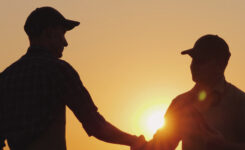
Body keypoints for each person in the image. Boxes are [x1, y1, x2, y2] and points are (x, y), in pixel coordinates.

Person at [0, 7, 145, 150]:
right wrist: (135, 141)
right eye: (62, 34)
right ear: (48, 33)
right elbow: (96, 126)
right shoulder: (58, 70)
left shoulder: (5, 77)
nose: (65, 42)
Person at [142, 34, 245, 150]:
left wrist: (225, 147)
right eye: (193, 59)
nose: (193, 65)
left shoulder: (243, 103)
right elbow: (161, 145)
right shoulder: (180, 103)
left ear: (221, 64)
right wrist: (132, 141)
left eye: (201, 60)